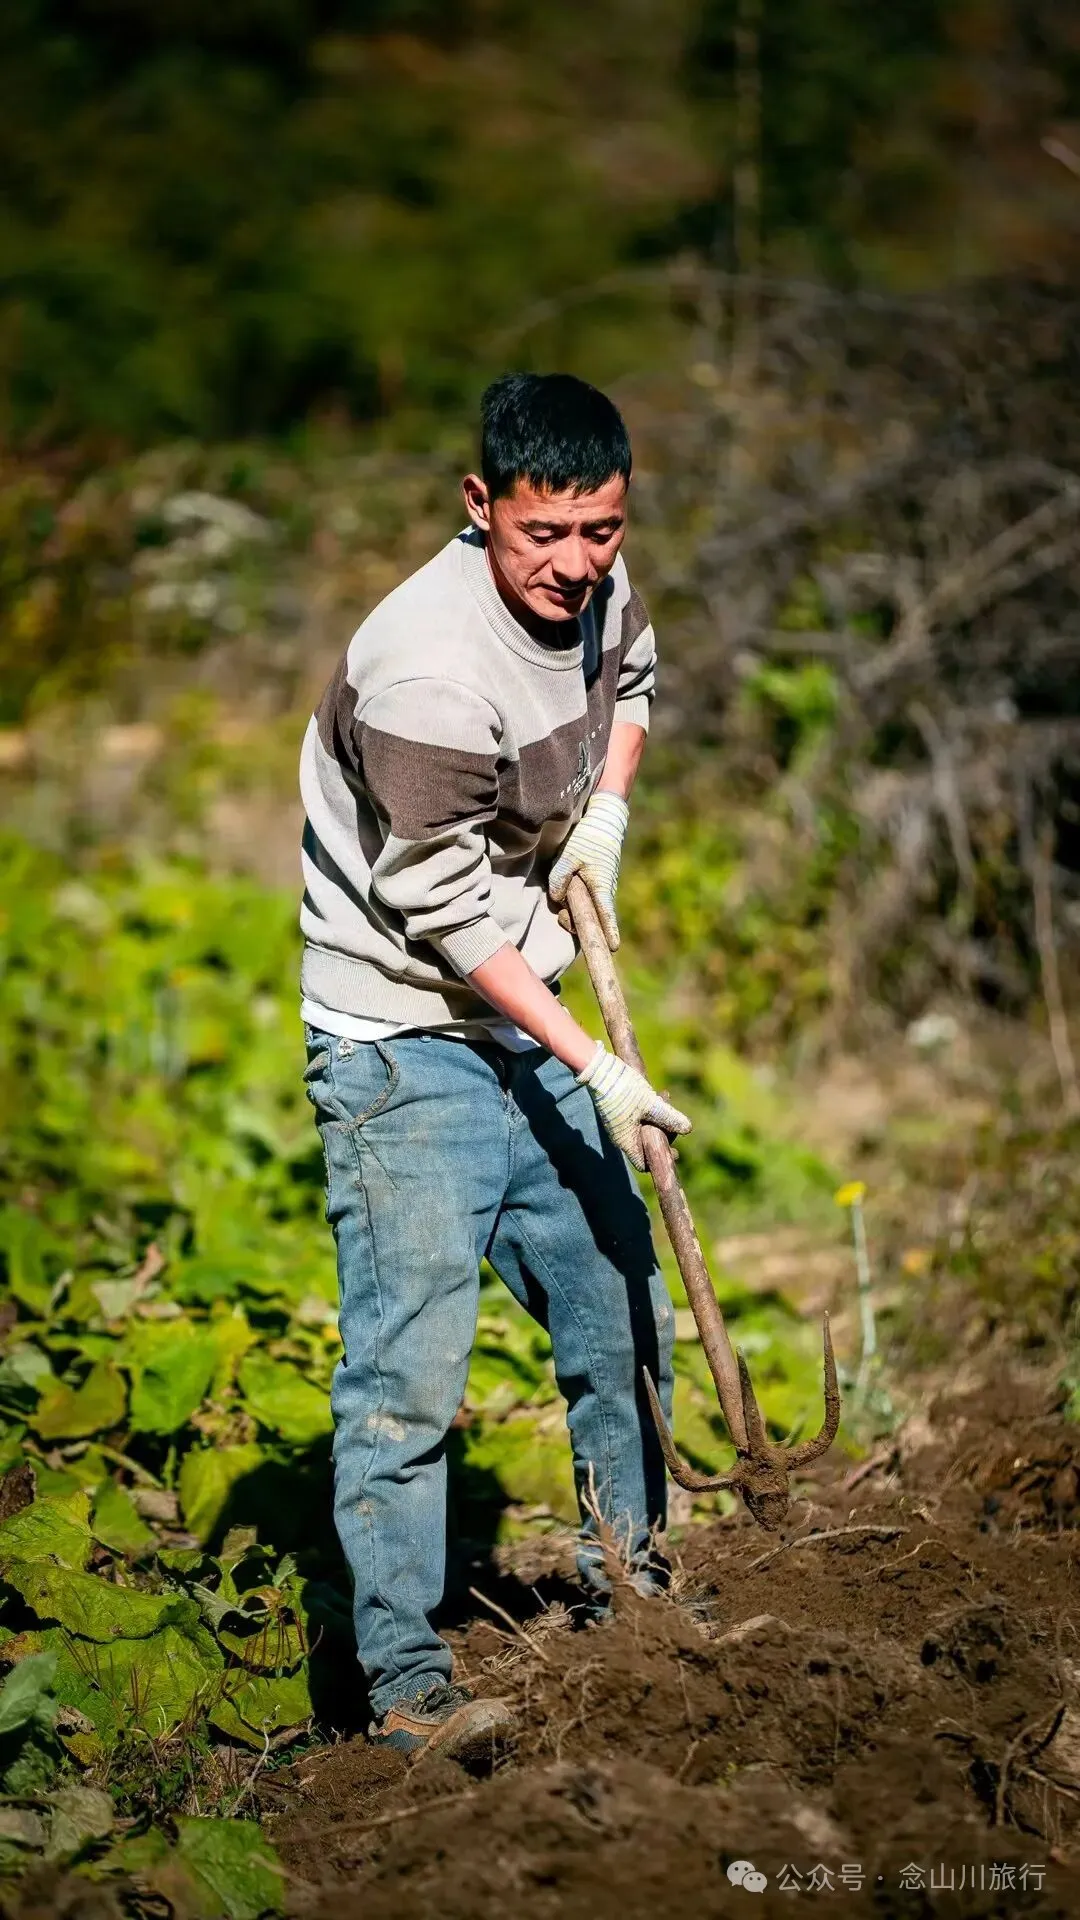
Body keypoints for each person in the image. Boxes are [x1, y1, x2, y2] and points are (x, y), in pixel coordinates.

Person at [299, 371, 691, 1760]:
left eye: (602, 530)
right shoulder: (426, 665)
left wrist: (610, 814)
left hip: (522, 1007)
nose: (577, 566)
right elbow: (450, 918)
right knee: (409, 1376)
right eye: (545, 537)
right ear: (482, 507)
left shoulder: (599, 581)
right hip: (408, 1033)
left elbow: (631, 682)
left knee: (617, 1296)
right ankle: (402, 1689)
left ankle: (634, 1588)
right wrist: (598, 1062)